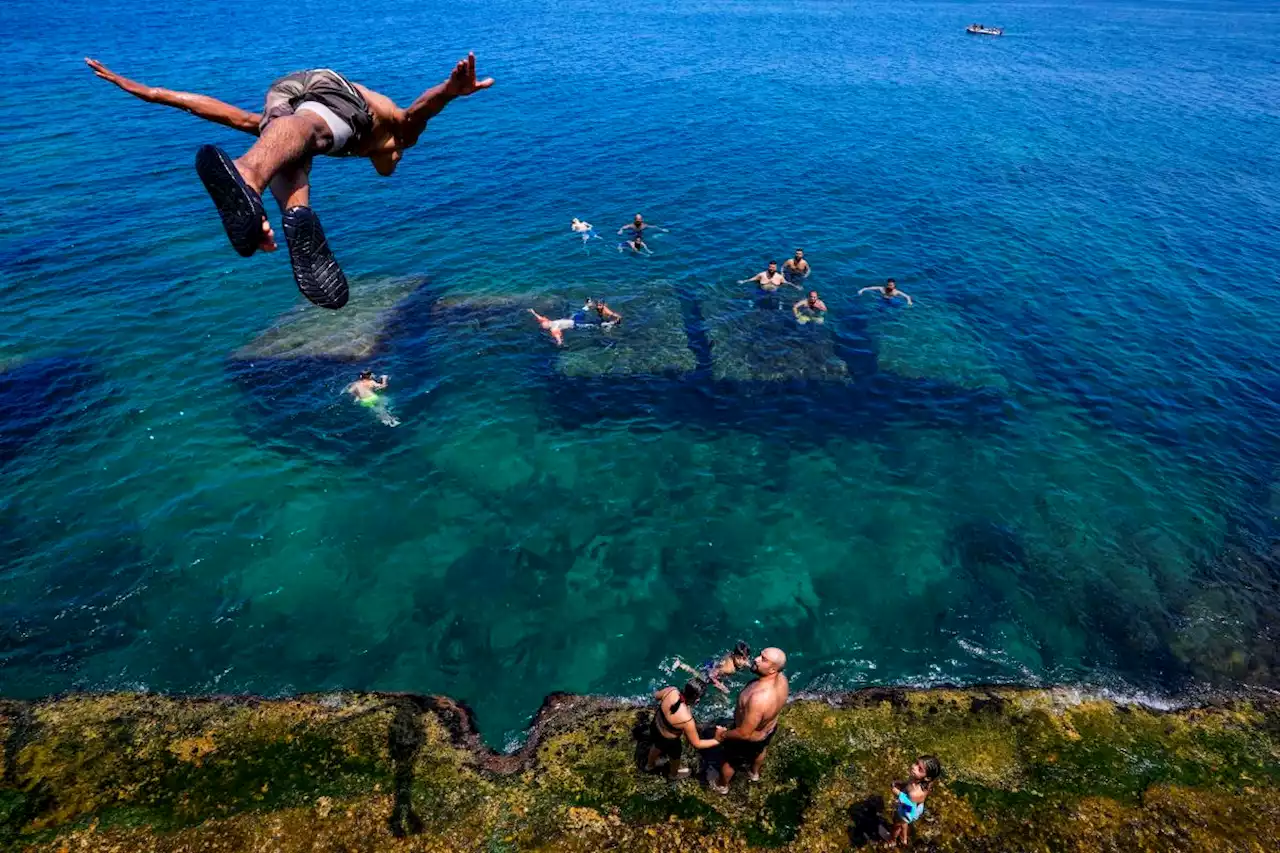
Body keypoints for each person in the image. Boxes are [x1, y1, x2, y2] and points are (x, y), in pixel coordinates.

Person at [85, 55, 494, 311]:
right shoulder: (397, 136)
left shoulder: (315, 136)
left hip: (284, 91)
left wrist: (150, 92)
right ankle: (250, 177)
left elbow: (226, 115)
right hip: (334, 91)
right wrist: (451, 90)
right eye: (393, 164)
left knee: (286, 141)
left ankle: (293, 216)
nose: (392, 166)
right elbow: (422, 109)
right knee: (313, 131)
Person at [711, 647, 789, 793]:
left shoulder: (759, 698)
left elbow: (744, 733)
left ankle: (721, 786)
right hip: (768, 729)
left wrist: (722, 735)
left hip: (748, 736)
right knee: (761, 749)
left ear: (772, 670)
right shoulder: (783, 680)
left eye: (763, 659)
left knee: (730, 761)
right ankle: (754, 774)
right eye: (760, 655)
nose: (756, 659)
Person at [645, 680, 722, 781]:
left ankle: (649, 765)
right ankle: (673, 775)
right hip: (669, 741)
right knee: (675, 757)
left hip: (655, 726)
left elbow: (656, 696)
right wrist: (717, 740)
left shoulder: (671, 691)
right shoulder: (687, 720)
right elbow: (697, 743)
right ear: (697, 700)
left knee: (656, 745)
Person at [888, 755, 943, 847]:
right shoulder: (918, 779)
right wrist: (902, 783)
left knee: (897, 824)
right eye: (916, 763)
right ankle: (904, 839)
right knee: (904, 823)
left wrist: (898, 793)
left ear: (927, 778)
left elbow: (909, 804)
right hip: (913, 804)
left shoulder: (916, 793)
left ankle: (892, 840)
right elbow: (909, 784)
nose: (914, 767)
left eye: (920, 769)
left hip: (910, 810)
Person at [672, 641, 751, 695]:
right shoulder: (727, 668)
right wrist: (720, 686)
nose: (743, 662)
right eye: (740, 659)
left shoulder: (736, 658)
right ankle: (680, 664)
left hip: (716, 665)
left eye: (745, 658)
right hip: (711, 672)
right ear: (734, 655)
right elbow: (711, 675)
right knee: (699, 676)